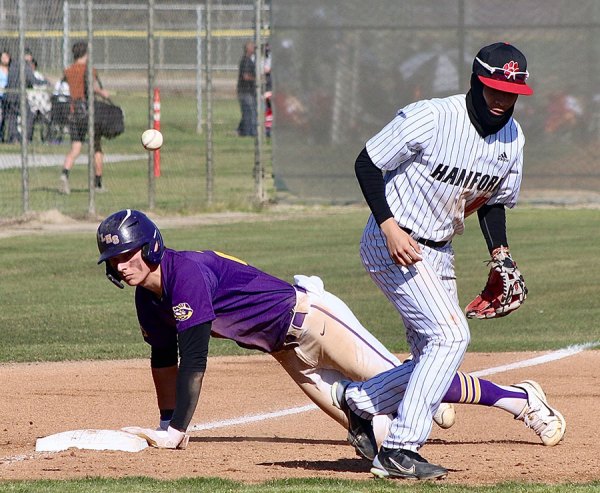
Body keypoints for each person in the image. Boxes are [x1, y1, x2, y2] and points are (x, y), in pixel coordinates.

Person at [96, 209, 565, 460]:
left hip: (314, 320)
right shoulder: (148, 298)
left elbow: (195, 358)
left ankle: (519, 399)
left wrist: (179, 429)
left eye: (129, 253)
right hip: (285, 351)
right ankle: (415, 401)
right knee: (373, 442)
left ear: (151, 245)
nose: (123, 265)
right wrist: (164, 420)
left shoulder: (186, 273)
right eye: (114, 261)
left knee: (422, 380)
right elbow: (164, 357)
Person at [338, 42, 566, 480]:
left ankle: (363, 402)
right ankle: (400, 449)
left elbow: (494, 201)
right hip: (393, 242)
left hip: (440, 249)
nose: (502, 99)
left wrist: (499, 254)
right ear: (476, 82)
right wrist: (388, 225)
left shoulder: (513, 138)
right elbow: (368, 162)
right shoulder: (432, 116)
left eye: (511, 91)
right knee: (450, 336)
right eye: (494, 88)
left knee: (436, 358)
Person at [59, 41, 109, 195]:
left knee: (75, 148)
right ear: (85, 54)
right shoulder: (89, 70)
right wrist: (102, 93)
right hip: (87, 113)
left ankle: (64, 174)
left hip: (73, 113)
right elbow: (91, 88)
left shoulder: (68, 71)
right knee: (96, 146)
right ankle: (98, 183)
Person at [3, 48, 35, 143]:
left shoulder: (13, 65)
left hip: (9, 95)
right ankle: (25, 137)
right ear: (26, 56)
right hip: (18, 96)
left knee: (12, 117)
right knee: (29, 114)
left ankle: (14, 138)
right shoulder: (25, 66)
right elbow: (33, 80)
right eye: (29, 56)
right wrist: (46, 81)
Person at [236, 40, 257, 137]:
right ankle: (249, 133)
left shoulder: (249, 60)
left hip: (249, 92)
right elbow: (245, 76)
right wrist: (257, 79)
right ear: (248, 49)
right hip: (246, 91)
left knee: (248, 113)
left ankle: (243, 131)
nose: (254, 49)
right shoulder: (246, 61)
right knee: (250, 113)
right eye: (253, 47)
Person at [0, 50, 10, 142]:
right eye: (3, 57)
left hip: (9, 96)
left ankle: (5, 136)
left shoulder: (11, 70)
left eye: (6, 57)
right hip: (0, 96)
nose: (5, 59)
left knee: (7, 117)